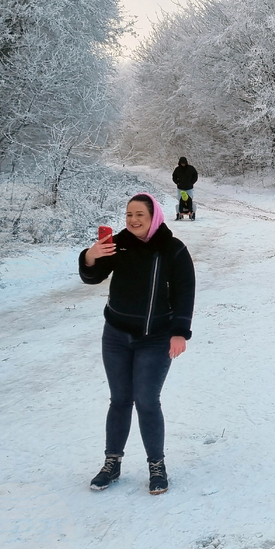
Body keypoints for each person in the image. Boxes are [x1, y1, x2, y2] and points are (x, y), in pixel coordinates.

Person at [80, 193, 196, 496]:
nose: (132, 220)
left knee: (146, 400)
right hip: (116, 335)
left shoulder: (173, 249)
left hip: (156, 338)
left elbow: (185, 291)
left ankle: (156, 465)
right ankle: (112, 463)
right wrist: (91, 256)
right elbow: (93, 276)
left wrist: (180, 331)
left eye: (139, 215)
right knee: (119, 399)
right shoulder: (118, 244)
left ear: (153, 216)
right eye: (129, 214)